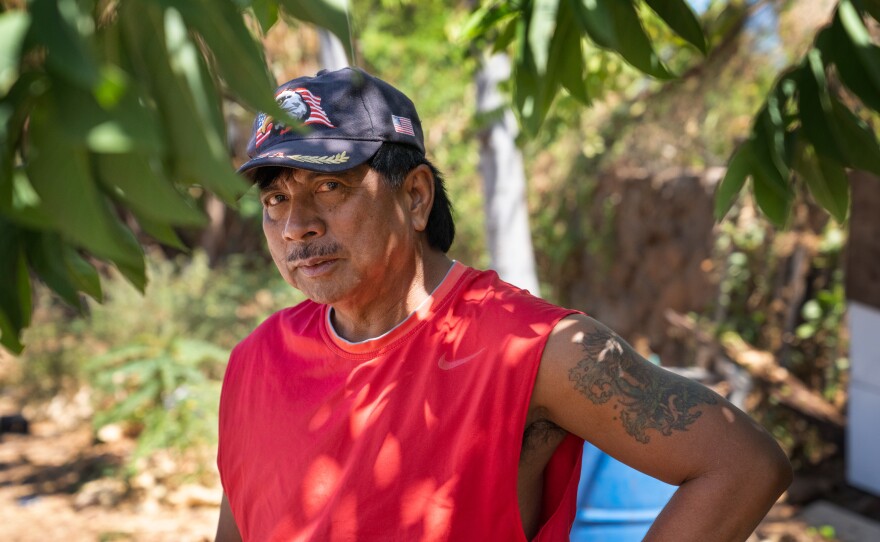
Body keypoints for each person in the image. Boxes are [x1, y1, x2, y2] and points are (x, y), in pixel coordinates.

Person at [215, 67, 791, 542]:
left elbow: (742, 466)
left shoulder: (534, 348)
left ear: (415, 196)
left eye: (330, 187)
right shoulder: (255, 362)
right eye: (276, 197)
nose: (296, 226)